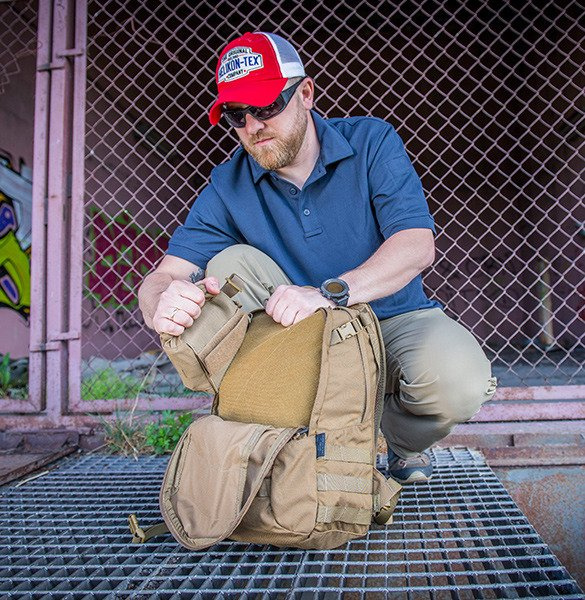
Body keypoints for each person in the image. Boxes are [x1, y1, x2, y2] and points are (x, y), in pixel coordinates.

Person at [138, 31, 497, 484]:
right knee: (228, 265)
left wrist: (330, 293)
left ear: (305, 93)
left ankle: (392, 439)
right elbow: (164, 275)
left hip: (389, 316)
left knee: (458, 381)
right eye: (236, 114)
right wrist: (161, 303)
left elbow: (416, 244)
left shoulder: (371, 141)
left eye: (266, 106)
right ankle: (290, 438)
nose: (253, 126)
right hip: (300, 338)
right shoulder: (228, 182)